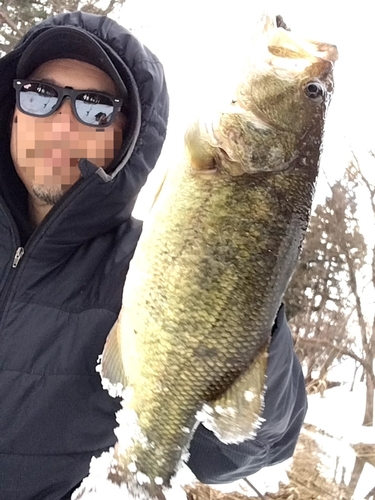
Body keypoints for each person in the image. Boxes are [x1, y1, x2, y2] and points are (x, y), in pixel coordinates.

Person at [0, 11, 307, 500]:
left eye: (94, 108)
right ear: (12, 110)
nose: (59, 125)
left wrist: (248, 299)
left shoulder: (146, 267)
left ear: (126, 136)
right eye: (40, 97)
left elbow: (247, 451)